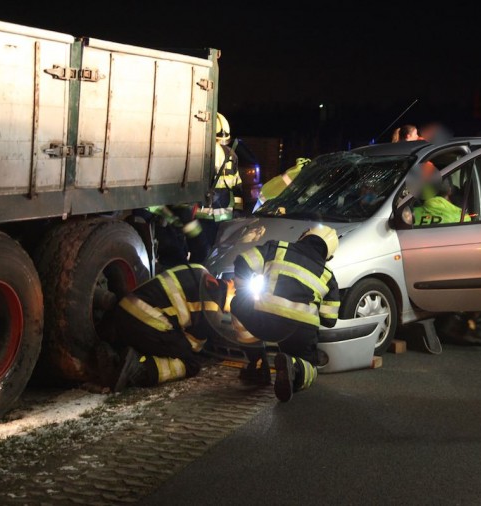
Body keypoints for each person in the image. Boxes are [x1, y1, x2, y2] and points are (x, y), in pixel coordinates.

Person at [230, 226, 340, 402]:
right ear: (329, 256)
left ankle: (257, 364)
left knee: (237, 303)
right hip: (299, 329)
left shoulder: (277, 247)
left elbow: (243, 261)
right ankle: (293, 366)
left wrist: (243, 292)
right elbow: (329, 319)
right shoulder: (328, 275)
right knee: (310, 368)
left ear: (303, 236)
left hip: (265, 318)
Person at [101, 263, 235, 392]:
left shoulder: (200, 270)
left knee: (167, 339)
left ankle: (117, 354)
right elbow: (191, 346)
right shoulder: (212, 312)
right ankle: (139, 369)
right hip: (144, 321)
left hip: (123, 310)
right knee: (191, 363)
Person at [412, 176, 481, 346]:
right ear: (450, 192)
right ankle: (465, 323)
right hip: (449, 275)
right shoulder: (460, 214)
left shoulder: (415, 213)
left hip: (417, 272)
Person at [197, 112, 244, 246]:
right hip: (225, 215)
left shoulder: (201, 152)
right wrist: (238, 210)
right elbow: (237, 185)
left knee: (202, 252)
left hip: (202, 215)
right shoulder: (231, 154)